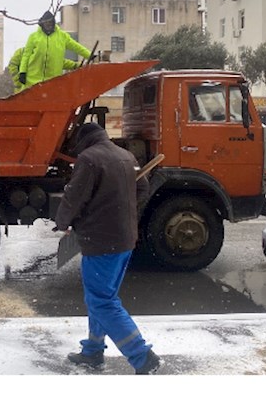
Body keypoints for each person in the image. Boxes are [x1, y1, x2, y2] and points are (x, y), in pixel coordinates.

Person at [54, 122, 161, 375]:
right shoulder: (126, 155)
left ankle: (142, 355)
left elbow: (74, 196)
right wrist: (121, 211)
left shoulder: (89, 159)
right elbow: (143, 188)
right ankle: (92, 350)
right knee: (100, 297)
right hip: (124, 239)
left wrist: (62, 222)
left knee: (102, 301)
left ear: (83, 141)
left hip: (101, 240)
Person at [18, 10, 91, 90]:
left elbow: (76, 47)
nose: (48, 25)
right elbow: (26, 55)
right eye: (46, 23)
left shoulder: (62, 36)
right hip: (32, 81)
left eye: (50, 23)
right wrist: (22, 72)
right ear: (42, 24)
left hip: (53, 82)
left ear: (53, 23)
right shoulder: (33, 37)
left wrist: (90, 55)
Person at [8, 46, 80, 94]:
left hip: (36, 92)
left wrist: (76, 65)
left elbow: (59, 62)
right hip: (26, 93)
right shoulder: (23, 53)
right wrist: (19, 82)